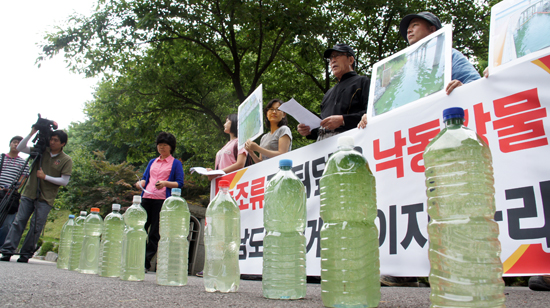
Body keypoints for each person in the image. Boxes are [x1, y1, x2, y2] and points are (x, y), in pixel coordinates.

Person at [358, 12, 481, 129]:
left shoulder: (450, 55)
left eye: (415, 25)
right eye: (408, 28)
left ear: (432, 30)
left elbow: (476, 84)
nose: (409, 30)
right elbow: (385, 102)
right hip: (411, 132)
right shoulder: (402, 66)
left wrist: (462, 88)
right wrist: (371, 115)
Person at [1, 127, 73, 263]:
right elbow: (22, 148)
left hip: (46, 197)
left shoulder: (66, 159)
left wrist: (45, 177)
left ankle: (25, 254)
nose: (52, 142)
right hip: (29, 192)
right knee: (19, 221)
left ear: (63, 143)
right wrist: (32, 132)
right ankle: (7, 251)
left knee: (36, 226)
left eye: (56, 140)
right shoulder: (41, 151)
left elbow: (64, 181)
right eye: (51, 139)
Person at [297, 44, 370, 141]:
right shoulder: (328, 93)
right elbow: (323, 126)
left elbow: (372, 113)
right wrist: (309, 130)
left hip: (351, 142)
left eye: (337, 55)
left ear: (350, 60)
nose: (333, 60)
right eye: (331, 58)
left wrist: (343, 120)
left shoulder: (363, 82)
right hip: (323, 145)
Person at [134, 132, 184, 271]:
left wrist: (165, 183)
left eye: (165, 145)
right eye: (159, 145)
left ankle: (145, 262)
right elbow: (145, 178)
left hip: (162, 201)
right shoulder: (152, 162)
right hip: (146, 198)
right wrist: (140, 183)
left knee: (154, 233)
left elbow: (180, 183)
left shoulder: (175, 163)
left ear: (171, 147)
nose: (161, 148)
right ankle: (136, 258)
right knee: (140, 229)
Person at [0, 136, 29, 245]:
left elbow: (23, 179)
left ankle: (1, 246)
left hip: (11, 195)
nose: (16, 144)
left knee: (7, 224)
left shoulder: (24, 163)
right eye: (14, 142)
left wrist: (13, 188)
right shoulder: (1, 158)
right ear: (10, 143)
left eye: (19, 143)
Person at [206, 113, 247, 181]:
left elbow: (240, 164)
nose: (224, 124)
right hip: (221, 184)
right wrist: (213, 172)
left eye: (227, 121)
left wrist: (217, 173)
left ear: (234, 122)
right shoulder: (226, 145)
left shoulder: (240, 142)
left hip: (234, 183)